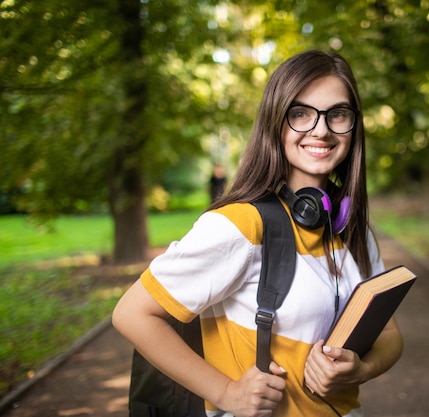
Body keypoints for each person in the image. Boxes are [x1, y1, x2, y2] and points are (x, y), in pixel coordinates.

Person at [112, 49, 403, 417]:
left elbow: (390, 335)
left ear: (353, 125)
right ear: (275, 122)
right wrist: (228, 392)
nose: (322, 130)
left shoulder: (352, 229)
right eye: (300, 113)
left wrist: (361, 369)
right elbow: (132, 313)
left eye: (338, 114)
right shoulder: (241, 226)